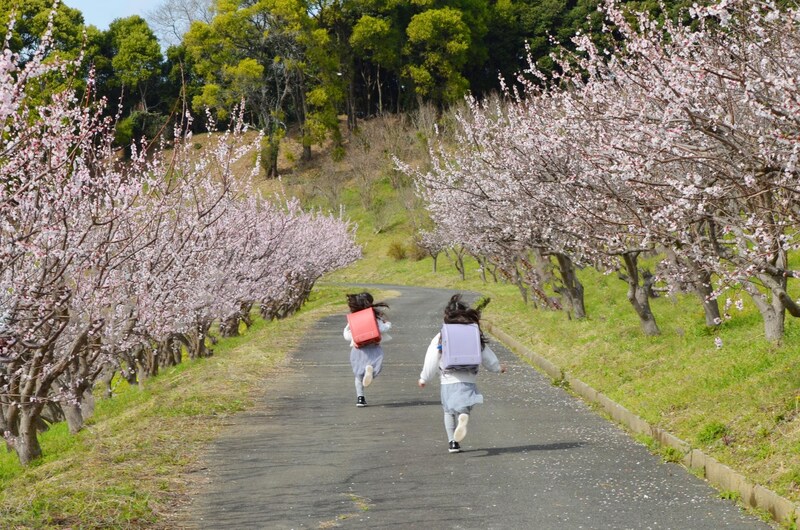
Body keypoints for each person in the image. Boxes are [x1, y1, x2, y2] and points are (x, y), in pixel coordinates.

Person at [418, 294, 506, 453]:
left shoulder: (441, 336)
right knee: (463, 405)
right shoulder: (473, 334)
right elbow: (486, 355)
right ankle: (463, 415)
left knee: (448, 411)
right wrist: (497, 368)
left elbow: (432, 358)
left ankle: (453, 442)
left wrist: (424, 377)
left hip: (448, 378)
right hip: (469, 377)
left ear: (447, 316)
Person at [344, 292, 391, 407]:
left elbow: (347, 335)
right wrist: (388, 324)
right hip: (374, 347)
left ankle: (360, 398)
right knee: (374, 369)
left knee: (358, 375)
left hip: (358, 349)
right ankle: (369, 371)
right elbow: (383, 329)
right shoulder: (373, 317)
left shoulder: (353, 319)